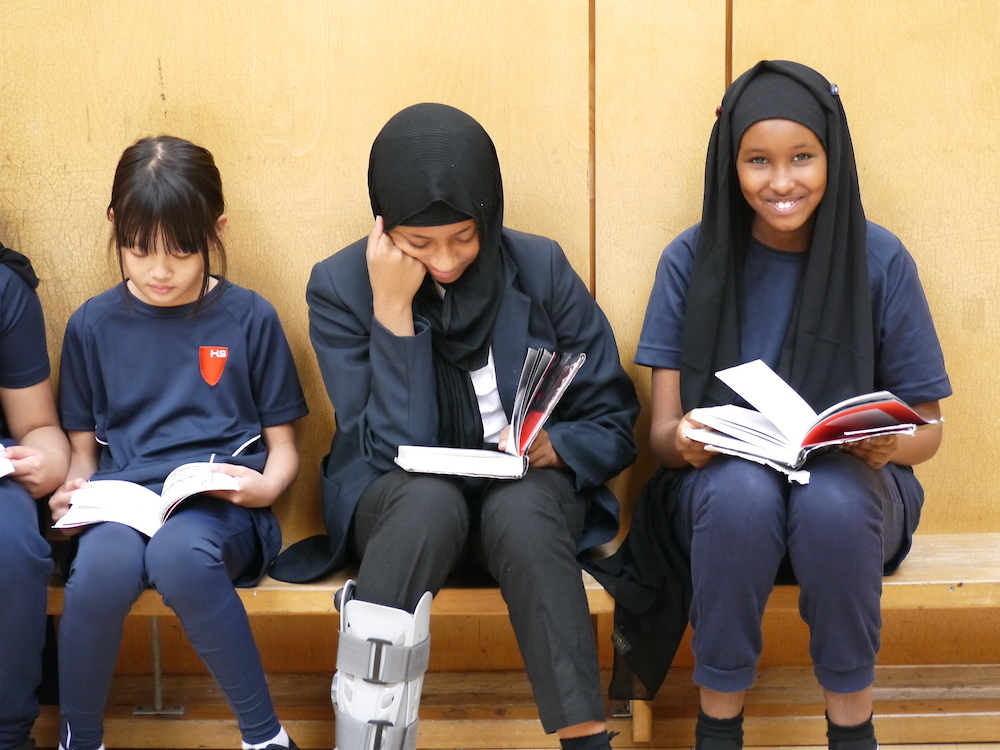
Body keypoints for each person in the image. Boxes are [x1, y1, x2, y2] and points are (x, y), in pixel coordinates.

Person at [271, 103, 639, 750]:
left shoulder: (541, 268)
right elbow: (385, 446)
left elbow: (614, 417)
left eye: (464, 237)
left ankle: (589, 741)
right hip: (399, 505)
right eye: (420, 243)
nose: (444, 260)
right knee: (427, 502)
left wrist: (560, 447)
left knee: (522, 510)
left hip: (525, 498)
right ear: (384, 225)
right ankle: (369, 739)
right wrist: (391, 307)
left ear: (490, 216)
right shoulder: (341, 287)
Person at [607, 61, 950, 750]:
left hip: (854, 502)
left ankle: (853, 733)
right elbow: (663, 435)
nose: (782, 181)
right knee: (741, 494)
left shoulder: (880, 261)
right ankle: (719, 730)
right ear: (731, 163)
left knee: (832, 497)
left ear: (833, 155)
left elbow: (930, 430)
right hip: (723, 507)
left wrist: (888, 442)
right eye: (758, 161)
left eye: (802, 158)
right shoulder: (689, 259)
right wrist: (690, 440)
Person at [50, 136, 308, 750]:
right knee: (101, 570)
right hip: (125, 500)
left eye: (182, 252)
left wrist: (267, 485)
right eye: (138, 251)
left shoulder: (250, 317)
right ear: (115, 227)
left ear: (216, 231)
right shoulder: (90, 324)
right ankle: (78, 739)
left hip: (221, 507)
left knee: (177, 557)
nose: (159, 271)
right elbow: (85, 454)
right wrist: (72, 494)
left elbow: (285, 447)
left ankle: (264, 737)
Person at [0, 242, 70, 750]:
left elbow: (38, 425)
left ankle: (9, 734)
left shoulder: (5, 288)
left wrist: (47, 462)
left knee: (13, 546)